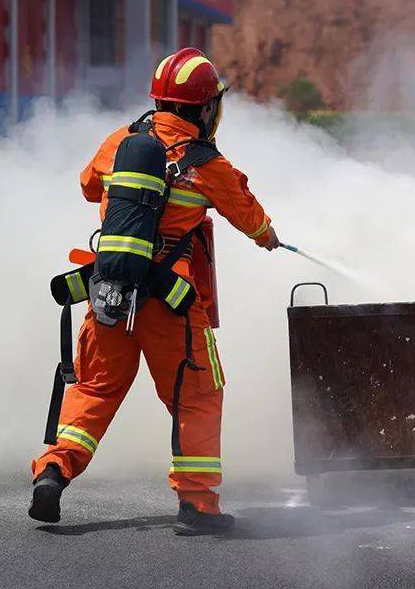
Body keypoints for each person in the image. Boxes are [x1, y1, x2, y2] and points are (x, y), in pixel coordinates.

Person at [29, 48, 279, 534]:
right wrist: (269, 237)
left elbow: (87, 185)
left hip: (110, 294)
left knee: (95, 391)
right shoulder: (206, 162)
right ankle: (198, 505)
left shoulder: (120, 141)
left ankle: (54, 471)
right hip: (170, 304)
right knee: (198, 394)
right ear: (205, 108)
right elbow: (253, 220)